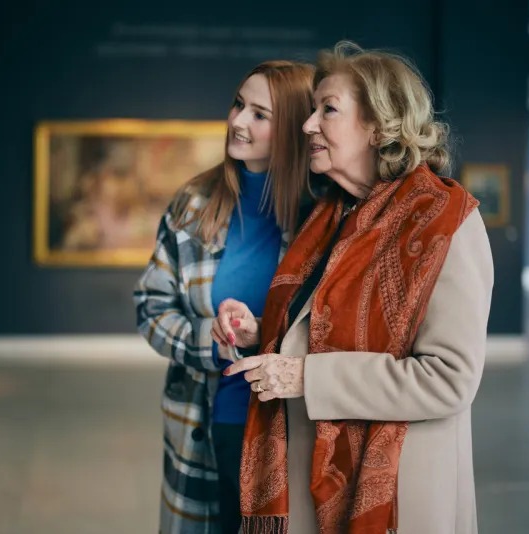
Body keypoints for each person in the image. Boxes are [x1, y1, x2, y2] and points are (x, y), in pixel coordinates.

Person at [222, 41, 494, 534]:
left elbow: (449, 379)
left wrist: (307, 377)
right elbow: (334, 328)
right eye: (312, 110)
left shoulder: (447, 221)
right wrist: (261, 332)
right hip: (311, 480)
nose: (308, 125)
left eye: (327, 110)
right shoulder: (332, 215)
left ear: (379, 126)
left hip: (394, 495)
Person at [133, 60, 315, 534]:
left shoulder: (322, 215)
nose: (237, 121)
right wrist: (212, 343)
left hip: (287, 427)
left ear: (295, 126)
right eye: (238, 104)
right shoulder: (193, 202)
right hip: (204, 423)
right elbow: (151, 306)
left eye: (260, 114)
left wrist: (262, 334)